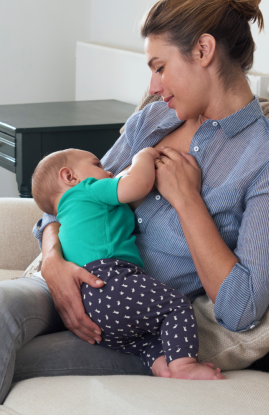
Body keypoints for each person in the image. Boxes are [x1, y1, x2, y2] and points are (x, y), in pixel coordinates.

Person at [0, 0, 269, 415]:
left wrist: (188, 202)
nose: (154, 86)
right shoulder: (152, 122)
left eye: (160, 66)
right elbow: (63, 201)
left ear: (203, 50)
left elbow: (242, 307)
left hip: (131, 325)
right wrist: (53, 262)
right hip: (64, 278)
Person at [31, 147, 223, 380]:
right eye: (97, 165)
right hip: (110, 280)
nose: (109, 171)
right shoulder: (87, 190)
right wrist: (143, 156)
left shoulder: (66, 215)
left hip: (89, 306)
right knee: (175, 306)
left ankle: (161, 365)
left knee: (143, 341)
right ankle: (184, 366)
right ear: (70, 177)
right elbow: (137, 184)